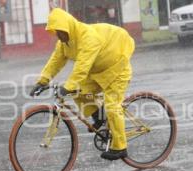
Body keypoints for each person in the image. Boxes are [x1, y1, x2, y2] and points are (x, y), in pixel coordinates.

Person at [30, 8, 135, 161]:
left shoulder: (88, 37)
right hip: (98, 70)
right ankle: (99, 116)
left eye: (59, 31)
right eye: (55, 32)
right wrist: (42, 81)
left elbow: (82, 66)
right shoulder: (65, 42)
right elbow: (55, 61)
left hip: (117, 66)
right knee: (77, 91)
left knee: (112, 107)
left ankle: (120, 147)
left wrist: (67, 86)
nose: (58, 36)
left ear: (68, 27)